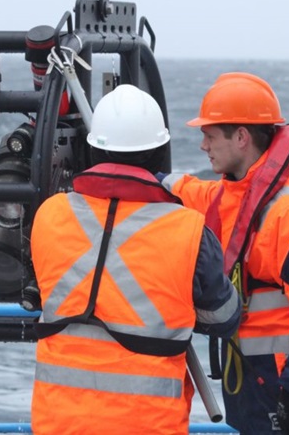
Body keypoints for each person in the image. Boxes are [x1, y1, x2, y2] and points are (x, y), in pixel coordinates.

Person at [29, 84, 241, 434]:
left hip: (58, 421)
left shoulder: (50, 215)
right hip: (148, 423)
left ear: (93, 149)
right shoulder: (187, 228)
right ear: (159, 153)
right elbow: (222, 318)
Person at [160, 72, 289, 435]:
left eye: (209, 135)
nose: (203, 145)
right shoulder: (228, 196)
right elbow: (186, 191)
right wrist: (140, 177)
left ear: (241, 137)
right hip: (251, 389)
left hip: (288, 394)